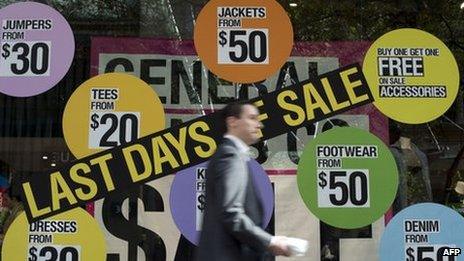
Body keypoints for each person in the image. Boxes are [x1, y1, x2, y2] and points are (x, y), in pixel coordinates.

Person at [196, 102, 291, 261]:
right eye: (252, 118)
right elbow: (231, 213)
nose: (259, 124)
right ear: (232, 122)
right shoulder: (230, 157)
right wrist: (270, 241)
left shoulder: (230, 154)